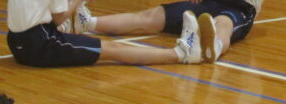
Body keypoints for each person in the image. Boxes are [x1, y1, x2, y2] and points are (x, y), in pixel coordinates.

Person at [6, 0, 213, 67]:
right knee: (113, 49)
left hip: (17, 41)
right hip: (42, 44)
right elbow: (59, 17)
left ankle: (84, 23)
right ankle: (182, 54)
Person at [74, 0, 261, 62]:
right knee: (151, 16)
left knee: (223, 23)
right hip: (205, 3)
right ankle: (87, 23)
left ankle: (213, 47)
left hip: (239, 6)